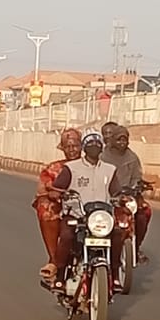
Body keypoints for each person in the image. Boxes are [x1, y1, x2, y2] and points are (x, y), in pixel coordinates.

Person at [52, 130, 122, 292]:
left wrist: (122, 198)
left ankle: (116, 276)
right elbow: (57, 187)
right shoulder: (71, 168)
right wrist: (57, 193)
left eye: (97, 145)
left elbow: (116, 191)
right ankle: (60, 276)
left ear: (102, 148)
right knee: (67, 236)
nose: (94, 148)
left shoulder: (109, 169)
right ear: (84, 148)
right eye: (90, 145)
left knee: (118, 234)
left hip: (100, 218)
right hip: (77, 216)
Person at [32, 127, 82, 280]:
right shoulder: (53, 169)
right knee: (45, 207)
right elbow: (42, 189)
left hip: (92, 212)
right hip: (65, 211)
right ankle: (54, 260)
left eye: (75, 146)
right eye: (68, 146)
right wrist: (53, 193)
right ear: (63, 149)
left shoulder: (93, 165)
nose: (72, 150)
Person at [101, 124, 152, 263]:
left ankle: (136, 246)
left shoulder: (132, 158)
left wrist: (136, 186)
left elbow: (137, 176)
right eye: (119, 140)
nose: (122, 143)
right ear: (113, 140)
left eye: (125, 140)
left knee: (144, 213)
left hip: (128, 197)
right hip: (106, 196)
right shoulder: (102, 156)